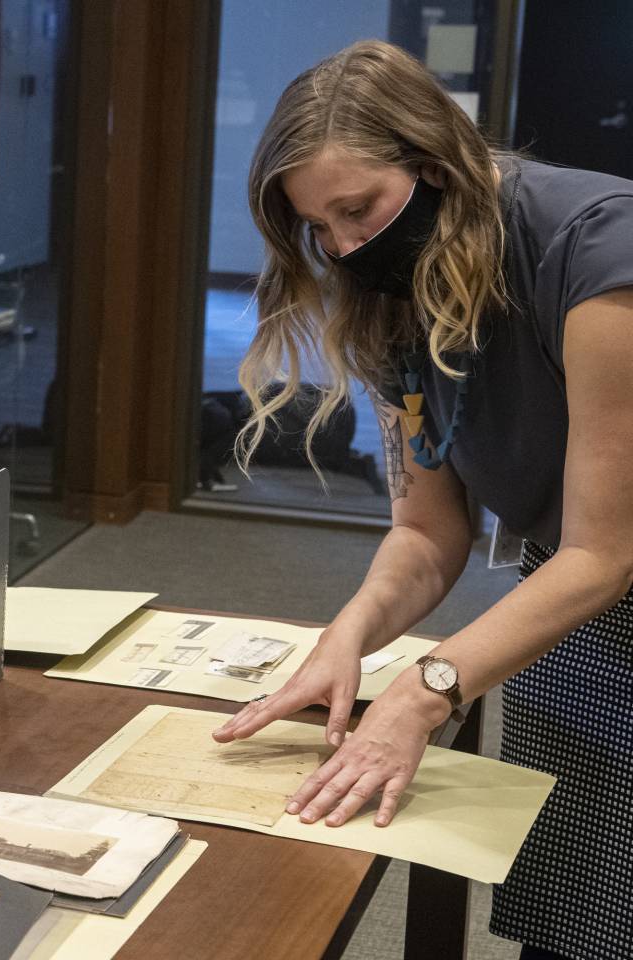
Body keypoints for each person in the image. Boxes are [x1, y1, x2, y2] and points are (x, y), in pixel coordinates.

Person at [209, 40, 633, 960]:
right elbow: (426, 530)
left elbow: (606, 553)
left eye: (358, 211)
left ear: (436, 165)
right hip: (567, 583)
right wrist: (350, 636)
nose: (346, 248)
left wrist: (427, 686)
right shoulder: (394, 289)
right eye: (320, 227)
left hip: (599, 567)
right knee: (569, 902)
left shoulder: (597, 248)